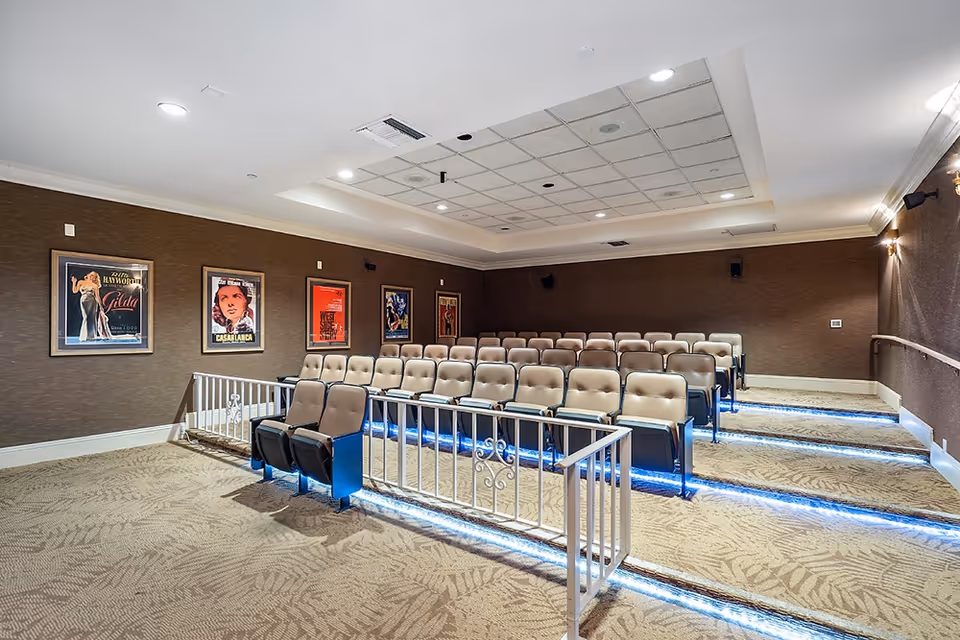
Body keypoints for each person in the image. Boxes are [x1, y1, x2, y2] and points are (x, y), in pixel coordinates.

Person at [72, 271, 113, 341]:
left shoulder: (95, 286)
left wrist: (100, 306)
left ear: (94, 278)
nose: (91, 276)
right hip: (83, 301)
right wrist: (74, 282)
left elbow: (97, 297)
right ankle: (84, 336)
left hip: (92, 302)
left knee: (91, 317)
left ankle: (91, 336)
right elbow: (75, 291)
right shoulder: (81, 282)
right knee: (86, 317)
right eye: (90, 275)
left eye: (93, 276)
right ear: (87, 275)